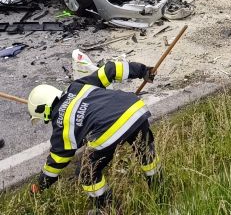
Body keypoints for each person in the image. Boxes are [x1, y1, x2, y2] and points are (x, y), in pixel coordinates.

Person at [27, 59, 161, 212]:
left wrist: (40, 186)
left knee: (86, 172)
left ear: (44, 110)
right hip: (134, 109)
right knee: (145, 153)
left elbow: (56, 163)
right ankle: (161, 192)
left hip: (111, 127)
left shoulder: (60, 122)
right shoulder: (77, 87)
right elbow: (111, 69)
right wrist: (143, 71)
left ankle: (108, 208)